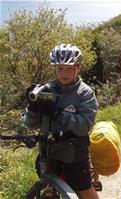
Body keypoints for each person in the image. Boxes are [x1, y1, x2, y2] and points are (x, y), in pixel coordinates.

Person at [22, 44, 100, 199]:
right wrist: (33, 108)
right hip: (48, 153)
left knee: (85, 191)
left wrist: (57, 113)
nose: (64, 73)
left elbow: (84, 126)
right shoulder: (46, 90)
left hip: (74, 155)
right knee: (49, 189)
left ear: (77, 68)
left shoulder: (85, 94)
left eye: (69, 68)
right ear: (55, 69)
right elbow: (29, 123)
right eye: (60, 69)